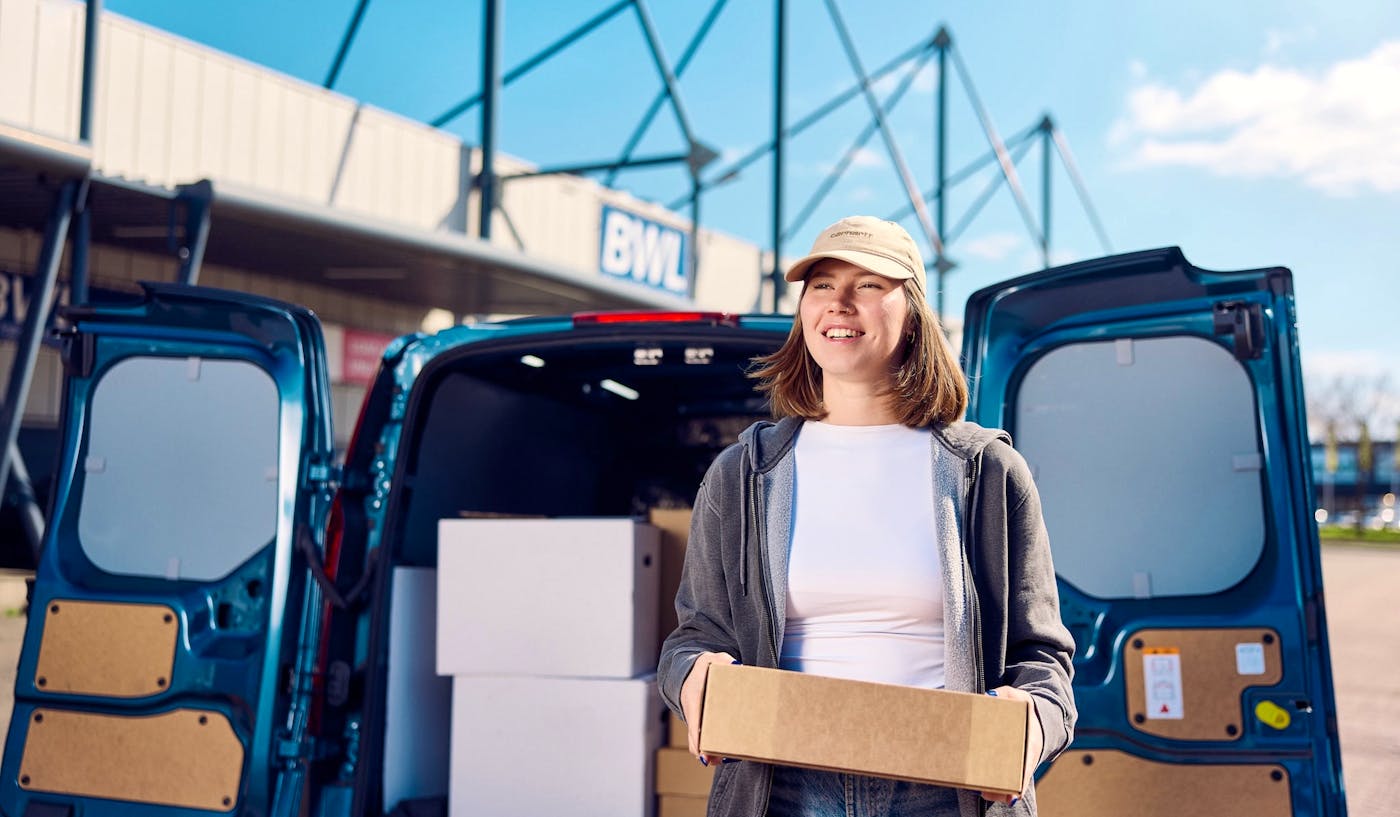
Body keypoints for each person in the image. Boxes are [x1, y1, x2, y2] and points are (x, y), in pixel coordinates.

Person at [657, 215, 1076, 817]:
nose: (841, 303)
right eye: (822, 285)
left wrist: (1029, 723)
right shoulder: (743, 475)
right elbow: (692, 638)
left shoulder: (986, 472)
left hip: (944, 790)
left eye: (870, 285)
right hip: (783, 791)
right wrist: (696, 676)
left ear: (914, 316)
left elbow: (1044, 661)